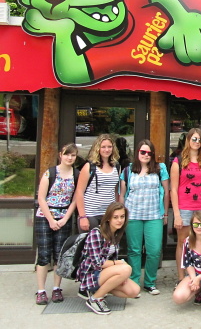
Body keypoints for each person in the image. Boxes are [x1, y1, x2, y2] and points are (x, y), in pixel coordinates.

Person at [119, 139, 169, 295]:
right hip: (133, 215)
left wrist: (165, 213)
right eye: (143, 152)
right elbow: (122, 195)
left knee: (154, 250)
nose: (146, 155)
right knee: (134, 250)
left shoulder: (160, 168)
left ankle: (150, 282)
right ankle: (134, 282)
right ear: (137, 153)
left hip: (154, 215)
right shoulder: (128, 170)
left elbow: (166, 192)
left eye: (149, 153)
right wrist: (121, 215)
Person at [34, 143, 79, 305]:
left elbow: (75, 199)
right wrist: (51, 220)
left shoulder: (76, 175)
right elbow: (41, 198)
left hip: (63, 216)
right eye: (67, 154)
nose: (69, 158)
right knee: (44, 254)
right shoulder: (50, 173)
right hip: (45, 216)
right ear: (60, 155)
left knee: (60, 254)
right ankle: (41, 290)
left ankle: (56, 288)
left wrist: (65, 218)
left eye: (73, 155)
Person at [77, 202, 140, 315]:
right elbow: (97, 263)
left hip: (105, 273)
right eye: (115, 217)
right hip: (90, 275)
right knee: (126, 268)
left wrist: (120, 274)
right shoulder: (96, 233)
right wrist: (119, 264)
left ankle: (99, 290)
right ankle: (95, 299)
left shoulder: (116, 233)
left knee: (134, 291)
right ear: (108, 218)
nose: (119, 220)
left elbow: (111, 258)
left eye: (122, 216)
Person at [171, 128, 201, 283]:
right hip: (184, 207)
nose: (196, 142)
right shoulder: (178, 161)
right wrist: (176, 214)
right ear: (188, 140)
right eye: (194, 139)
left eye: (199, 140)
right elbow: (174, 189)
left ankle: (199, 276)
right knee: (182, 242)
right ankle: (181, 277)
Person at [75, 134, 121, 232]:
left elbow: (116, 191)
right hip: (90, 214)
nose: (107, 150)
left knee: (109, 241)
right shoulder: (89, 167)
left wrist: (117, 213)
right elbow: (79, 192)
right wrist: (82, 216)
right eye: (103, 147)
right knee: (91, 241)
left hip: (109, 214)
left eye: (109, 147)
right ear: (98, 148)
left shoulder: (116, 167)